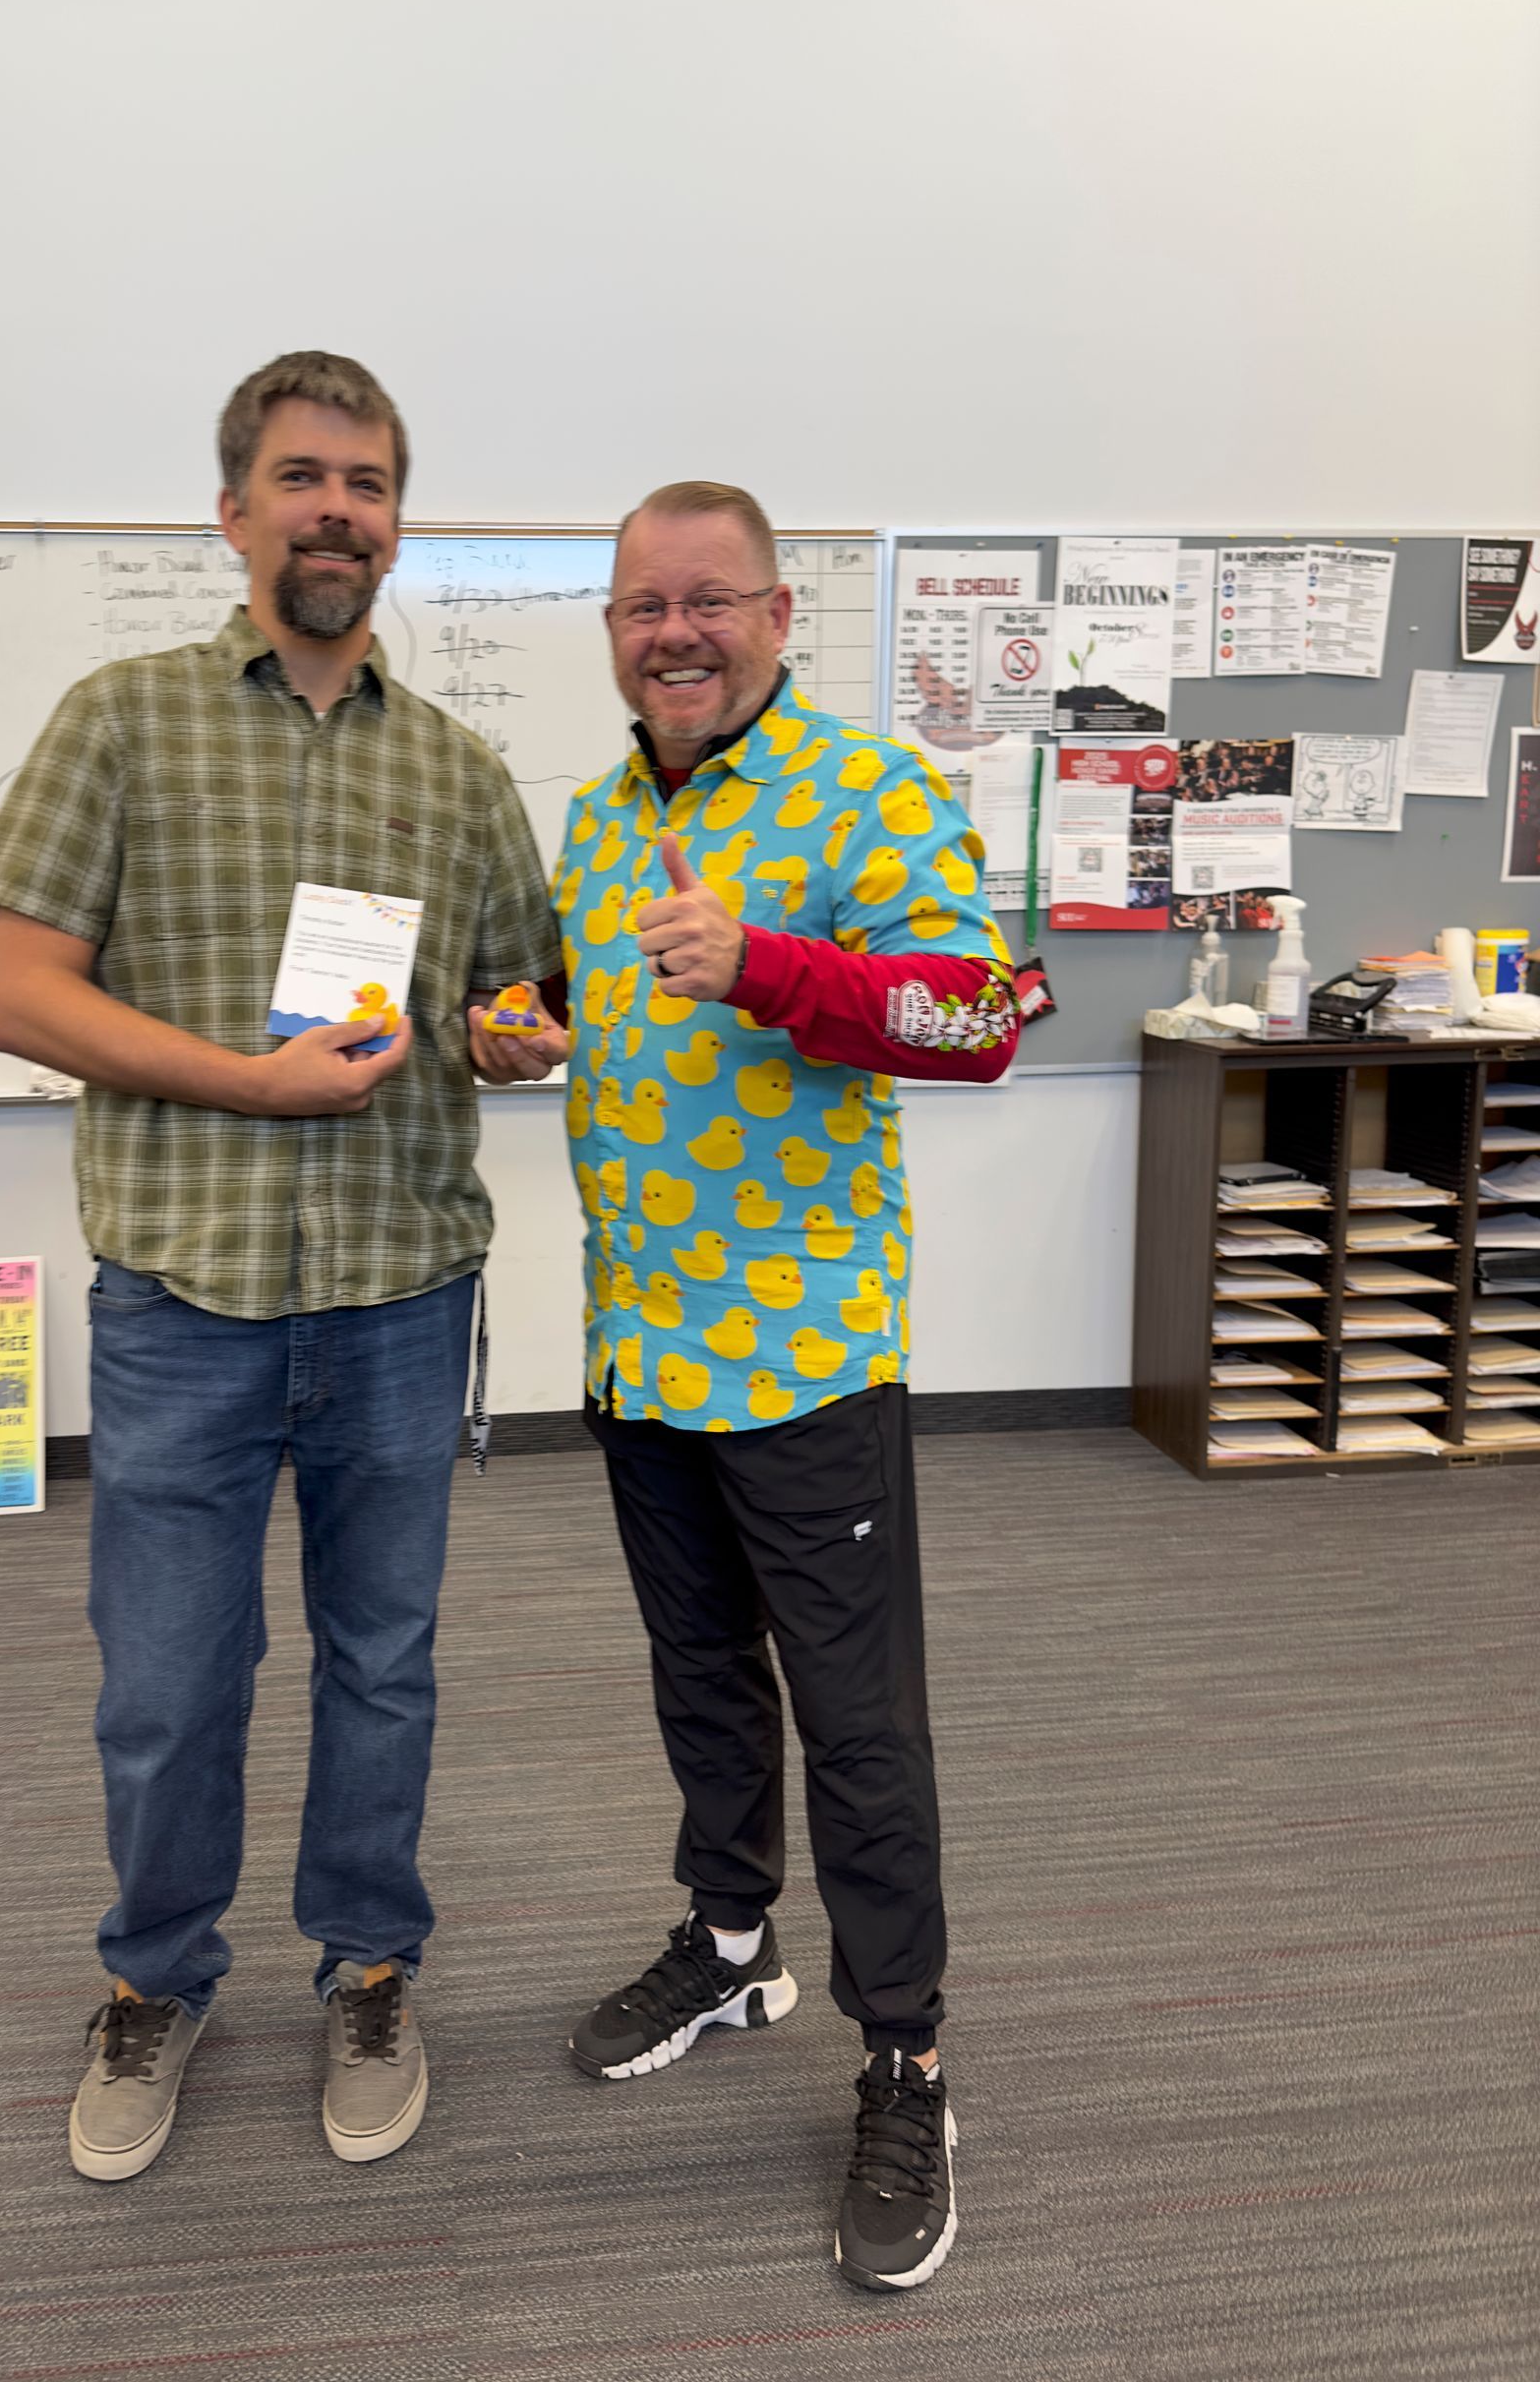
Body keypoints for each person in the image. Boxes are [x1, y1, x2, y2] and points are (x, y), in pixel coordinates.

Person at [0, 352, 562, 2182]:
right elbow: (18, 998)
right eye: (303, 477)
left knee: (384, 1663)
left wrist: (520, 1034)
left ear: (396, 524)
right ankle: (155, 1980)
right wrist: (249, 1081)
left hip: (396, 1294)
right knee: (168, 1678)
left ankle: (370, 1964)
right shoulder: (120, 722)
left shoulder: (457, 772)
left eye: (368, 484)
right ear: (234, 511)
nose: (337, 511)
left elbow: (508, 994)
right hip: (185, 1298)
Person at [553, 481, 1019, 2293]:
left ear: (777, 613)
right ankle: (733, 1938)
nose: (672, 632)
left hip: (805, 1349)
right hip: (639, 1340)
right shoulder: (599, 821)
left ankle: (904, 2052)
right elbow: (606, 1016)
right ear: (609, 631)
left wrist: (775, 969)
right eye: (639, 607)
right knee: (697, 1678)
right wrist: (531, 1020)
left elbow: (974, 1016)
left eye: (707, 602)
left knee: (857, 1721)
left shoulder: (867, 791)